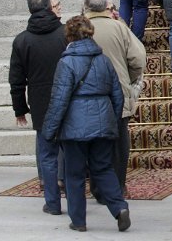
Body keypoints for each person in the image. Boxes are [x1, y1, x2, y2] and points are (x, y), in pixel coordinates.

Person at [42, 16, 132, 233]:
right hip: (102, 123)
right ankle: (119, 208)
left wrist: (50, 130)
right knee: (103, 168)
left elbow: (59, 100)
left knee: (74, 174)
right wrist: (112, 119)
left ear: (69, 36)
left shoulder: (66, 62)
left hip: (75, 128)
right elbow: (117, 95)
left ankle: (79, 220)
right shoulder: (104, 60)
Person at [81, 0, 146, 194]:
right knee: (119, 139)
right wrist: (128, 78)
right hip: (117, 91)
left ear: (85, 5)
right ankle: (118, 185)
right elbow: (138, 59)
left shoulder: (79, 28)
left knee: (92, 140)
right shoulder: (119, 27)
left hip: (87, 94)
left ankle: (98, 185)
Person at [8, 0, 67, 214]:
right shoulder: (64, 34)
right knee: (70, 152)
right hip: (67, 100)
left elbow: (16, 79)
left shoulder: (22, 40)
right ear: (48, 7)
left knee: (47, 155)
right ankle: (73, 198)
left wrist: (20, 109)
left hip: (41, 105)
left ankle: (52, 203)